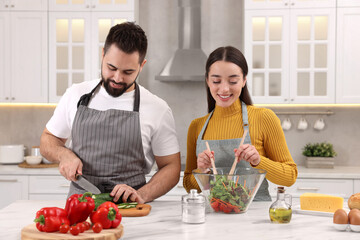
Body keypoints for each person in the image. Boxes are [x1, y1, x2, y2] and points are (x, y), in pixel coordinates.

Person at [40, 22, 181, 204]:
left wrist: (143, 194)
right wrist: (64, 155)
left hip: (130, 210)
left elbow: (171, 167)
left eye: (128, 71)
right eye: (111, 68)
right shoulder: (76, 94)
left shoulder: (157, 108)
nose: (117, 78)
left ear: (142, 65)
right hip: (80, 211)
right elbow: (48, 139)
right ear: (103, 55)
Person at [183, 46, 297, 201]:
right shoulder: (196, 126)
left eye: (233, 81)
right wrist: (202, 171)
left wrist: (258, 161)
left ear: (244, 80)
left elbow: (290, 177)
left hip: (255, 217)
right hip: (214, 216)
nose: (224, 89)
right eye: (216, 81)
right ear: (208, 81)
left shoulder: (264, 118)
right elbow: (189, 186)